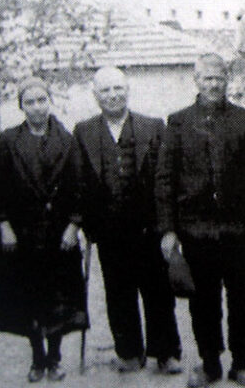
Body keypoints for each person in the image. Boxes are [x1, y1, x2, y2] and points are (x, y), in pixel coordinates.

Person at [156, 54, 245, 388]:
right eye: (207, 78)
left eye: (219, 78)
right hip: (195, 230)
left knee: (243, 298)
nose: (213, 84)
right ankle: (209, 364)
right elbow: (165, 180)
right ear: (196, 81)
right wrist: (168, 230)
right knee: (203, 301)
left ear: (228, 80)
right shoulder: (178, 122)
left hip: (237, 228)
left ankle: (241, 363)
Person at [74, 66, 182, 375]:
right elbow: (79, 181)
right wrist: (85, 225)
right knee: (118, 292)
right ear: (96, 95)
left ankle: (165, 353)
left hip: (149, 228)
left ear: (128, 90)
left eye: (118, 88)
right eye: (105, 90)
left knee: (158, 292)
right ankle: (129, 352)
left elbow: (166, 180)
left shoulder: (153, 127)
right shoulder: (84, 131)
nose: (112, 95)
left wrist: (168, 228)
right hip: (109, 230)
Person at [0, 76, 88, 383]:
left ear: (50, 101)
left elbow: (80, 187)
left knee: (56, 298)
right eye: (29, 102)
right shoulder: (8, 141)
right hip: (22, 235)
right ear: (21, 106)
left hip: (58, 235)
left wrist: (73, 225)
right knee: (28, 298)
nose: (36, 107)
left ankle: (54, 357)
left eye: (41, 100)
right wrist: (4, 225)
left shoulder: (67, 140)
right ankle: (37, 358)